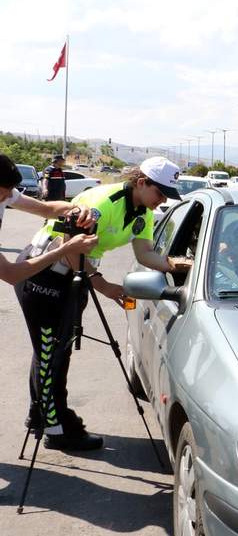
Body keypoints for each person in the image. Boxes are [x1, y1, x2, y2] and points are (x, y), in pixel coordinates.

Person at [16, 156, 191, 451]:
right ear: (141, 182)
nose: (161, 201)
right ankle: (55, 429)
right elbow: (68, 249)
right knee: (51, 352)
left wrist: (180, 265)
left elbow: (146, 255)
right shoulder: (103, 201)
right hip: (44, 272)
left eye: (166, 196)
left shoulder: (142, 213)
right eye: (159, 193)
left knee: (59, 350)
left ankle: (44, 414)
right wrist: (104, 285)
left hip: (76, 274)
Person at [0, 155, 98, 283]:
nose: (9, 196)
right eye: (3, 192)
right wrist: (66, 249)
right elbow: (10, 274)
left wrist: (76, 208)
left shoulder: (6, 194)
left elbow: (46, 209)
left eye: (11, 190)